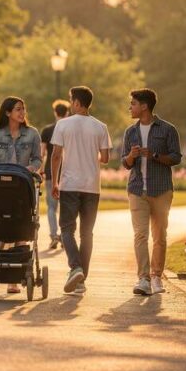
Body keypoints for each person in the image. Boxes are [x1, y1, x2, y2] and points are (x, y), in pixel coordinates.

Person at [50, 86, 110, 296]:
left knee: (66, 229)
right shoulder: (100, 127)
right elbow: (105, 158)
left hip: (69, 184)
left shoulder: (63, 125)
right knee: (87, 233)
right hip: (92, 186)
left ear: (76, 103)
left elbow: (56, 155)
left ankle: (75, 267)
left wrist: (54, 182)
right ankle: (82, 280)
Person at [121, 89, 181, 296]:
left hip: (161, 190)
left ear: (144, 106)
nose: (130, 107)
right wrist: (131, 155)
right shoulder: (130, 132)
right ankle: (143, 279)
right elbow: (125, 163)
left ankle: (156, 276)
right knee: (140, 235)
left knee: (159, 236)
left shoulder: (167, 129)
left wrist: (154, 155)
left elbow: (175, 157)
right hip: (137, 189)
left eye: (133, 104)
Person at [0, 96, 42, 296]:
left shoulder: (32, 134)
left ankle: (15, 280)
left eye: (23, 109)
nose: (22, 113)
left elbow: (37, 158)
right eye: (18, 109)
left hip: (22, 186)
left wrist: (30, 168)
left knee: (21, 226)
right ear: (7, 113)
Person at [40, 100, 70, 250]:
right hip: (67, 172)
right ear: (67, 113)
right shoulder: (69, 130)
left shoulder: (47, 130)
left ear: (55, 113)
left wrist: (40, 170)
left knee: (51, 207)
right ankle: (65, 237)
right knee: (65, 207)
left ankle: (53, 235)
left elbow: (42, 153)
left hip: (51, 171)